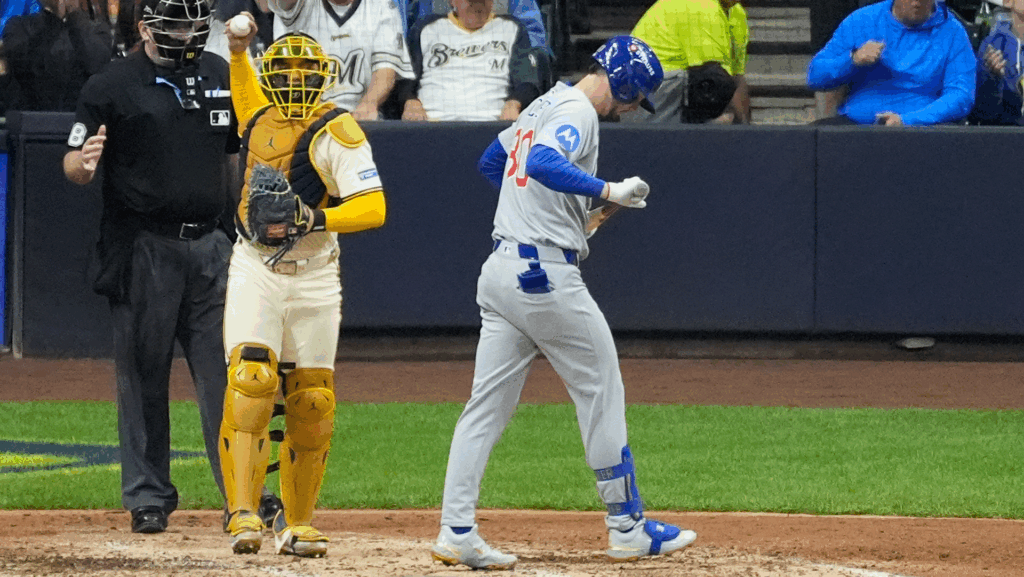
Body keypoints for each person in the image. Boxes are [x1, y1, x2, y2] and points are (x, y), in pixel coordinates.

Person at [430, 35, 697, 571]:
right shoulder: (578, 109)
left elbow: (494, 162)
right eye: (633, 95)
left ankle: (456, 529)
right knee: (602, 389)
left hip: (503, 269)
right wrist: (607, 191)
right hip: (541, 278)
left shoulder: (546, 100)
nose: (629, 107)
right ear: (622, 81)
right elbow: (545, 160)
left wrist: (557, 218)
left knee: (486, 408)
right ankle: (626, 527)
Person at [61, 0, 235, 535]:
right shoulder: (110, 85)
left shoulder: (218, 73)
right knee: (142, 377)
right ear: (146, 28)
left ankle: (244, 493)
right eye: (176, 24)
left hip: (211, 246)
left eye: (194, 24)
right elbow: (72, 160)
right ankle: (148, 495)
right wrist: (83, 166)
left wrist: (236, 229)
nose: (187, 33)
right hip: (144, 247)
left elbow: (232, 155)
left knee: (228, 377)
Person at [218, 22, 387, 557]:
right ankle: (243, 513)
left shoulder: (339, 131)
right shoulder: (260, 116)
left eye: (303, 72)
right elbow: (246, 100)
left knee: (311, 402)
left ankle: (297, 522)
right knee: (251, 381)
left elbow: (373, 207)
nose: (293, 81)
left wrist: (311, 216)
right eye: (283, 71)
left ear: (323, 77)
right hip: (256, 267)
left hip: (314, 274)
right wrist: (238, 51)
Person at [806, 0, 976, 126]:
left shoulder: (953, 32)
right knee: (807, 142)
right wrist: (852, 60)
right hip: (858, 126)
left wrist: (908, 120)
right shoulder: (862, 20)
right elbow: (815, 76)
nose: (917, 2)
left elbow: (961, 96)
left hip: (924, 129)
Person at [268, 0, 414, 120]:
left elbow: (385, 70)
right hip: (304, 117)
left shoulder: (381, 5)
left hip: (359, 119)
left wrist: (369, 103)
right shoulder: (298, 4)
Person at [400, 0, 540, 121]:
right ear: (452, 1)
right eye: (470, 2)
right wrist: (410, 101)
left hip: (492, 125)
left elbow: (527, 82)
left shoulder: (512, 27)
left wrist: (514, 103)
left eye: (481, 1)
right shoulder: (425, 28)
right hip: (432, 125)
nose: (476, 7)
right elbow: (404, 79)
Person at [627, 0, 748, 124]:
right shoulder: (700, 6)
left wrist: (746, 132)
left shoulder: (736, 13)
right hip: (646, 89)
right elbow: (714, 80)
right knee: (721, 115)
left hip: (680, 86)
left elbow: (737, 78)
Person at [1, 0, 114, 112]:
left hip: (80, 119)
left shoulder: (96, 28)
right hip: (33, 117)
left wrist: (73, 14)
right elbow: (25, 68)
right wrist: (54, 17)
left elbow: (98, 65)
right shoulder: (18, 26)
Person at [968, 0, 1024, 124]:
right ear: (1008, 2)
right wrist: (993, 78)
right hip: (1008, 135)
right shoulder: (993, 44)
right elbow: (983, 113)